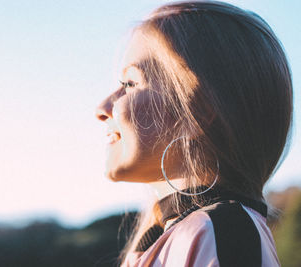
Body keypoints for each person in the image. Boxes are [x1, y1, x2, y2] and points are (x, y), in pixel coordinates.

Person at [95, 1, 292, 266]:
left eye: (130, 84)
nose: (102, 108)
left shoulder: (222, 232)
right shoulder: (175, 238)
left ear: (197, 112)